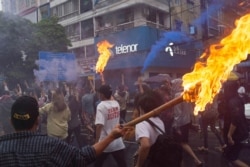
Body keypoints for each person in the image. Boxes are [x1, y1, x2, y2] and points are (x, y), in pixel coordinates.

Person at [0, 95, 128, 166]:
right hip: (61, 135)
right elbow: (82, 156)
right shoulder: (51, 147)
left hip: (53, 132)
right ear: (37, 121)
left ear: (11, 122)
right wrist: (111, 136)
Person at [171, 78, 203, 167]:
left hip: (180, 123)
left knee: (182, 143)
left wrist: (176, 126)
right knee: (182, 143)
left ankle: (196, 160)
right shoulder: (185, 94)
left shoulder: (177, 95)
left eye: (173, 85)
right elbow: (190, 109)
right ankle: (182, 161)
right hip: (186, 122)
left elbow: (178, 112)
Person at [94, 84, 127, 167]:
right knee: (122, 164)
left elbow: (99, 125)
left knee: (97, 164)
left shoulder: (101, 106)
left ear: (102, 94)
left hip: (105, 141)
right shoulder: (116, 104)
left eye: (99, 93)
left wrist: (97, 141)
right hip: (117, 140)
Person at [134, 90, 166, 167]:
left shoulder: (141, 123)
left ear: (141, 107)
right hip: (160, 158)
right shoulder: (159, 120)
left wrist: (138, 165)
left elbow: (145, 145)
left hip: (150, 160)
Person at [223, 80, 249, 167]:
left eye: (225, 88)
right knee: (229, 155)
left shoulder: (233, 101)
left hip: (237, 134)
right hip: (240, 131)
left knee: (232, 158)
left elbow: (236, 118)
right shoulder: (237, 98)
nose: (223, 90)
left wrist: (229, 135)